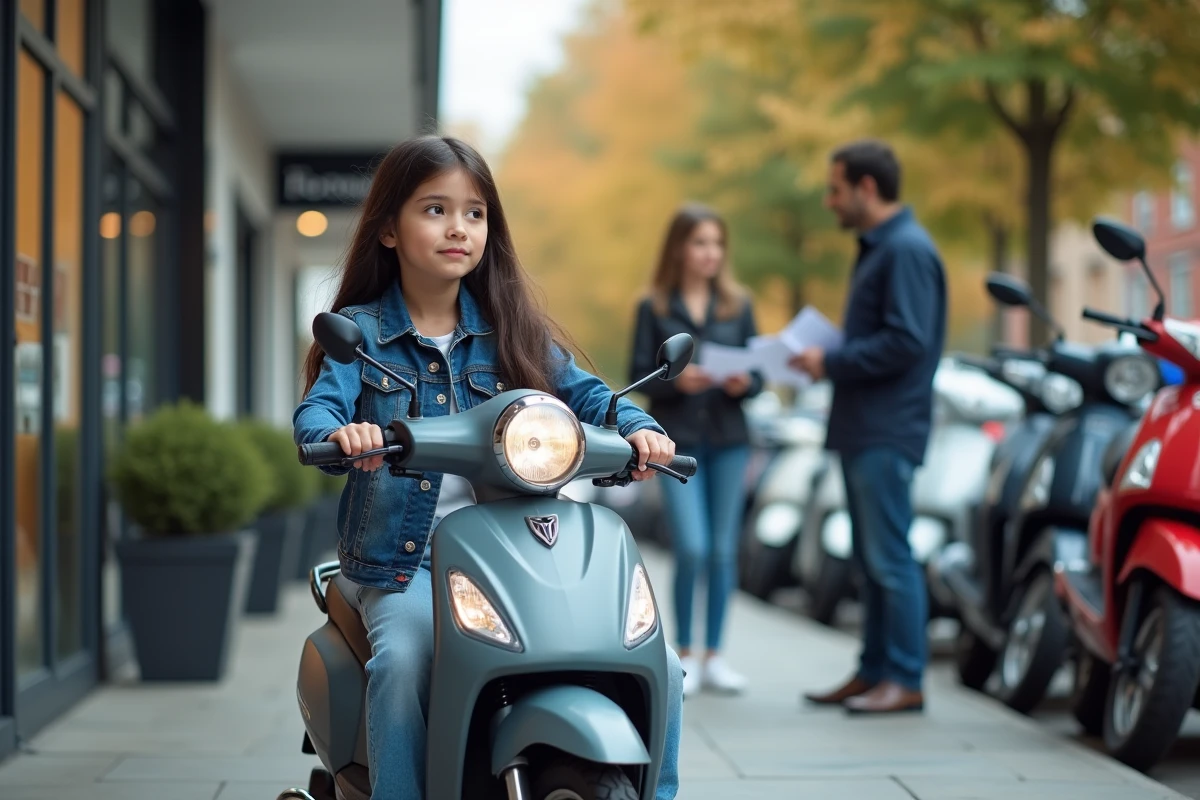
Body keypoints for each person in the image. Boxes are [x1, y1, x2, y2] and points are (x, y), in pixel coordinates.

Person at [293, 135, 685, 799]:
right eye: (435, 210)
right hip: (403, 563)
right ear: (388, 229)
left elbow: (590, 396)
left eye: (475, 214)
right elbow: (315, 418)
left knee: (663, 663)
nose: (459, 228)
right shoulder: (358, 333)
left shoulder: (512, 327)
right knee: (405, 662)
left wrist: (641, 429)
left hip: (519, 556)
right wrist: (345, 432)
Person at [790, 140, 946, 715]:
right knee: (871, 558)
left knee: (889, 557)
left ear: (867, 188)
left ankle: (904, 678)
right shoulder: (885, 247)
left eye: (836, 189)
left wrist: (829, 361)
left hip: (886, 428)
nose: (830, 202)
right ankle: (874, 670)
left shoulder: (904, 250)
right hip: (866, 426)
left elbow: (907, 341)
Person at [629, 203, 763, 697]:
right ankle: (683, 654)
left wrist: (744, 383)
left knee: (725, 551)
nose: (710, 253)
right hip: (678, 443)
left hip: (730, 440)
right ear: (680, 248)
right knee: (692, 546)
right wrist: (679, 385)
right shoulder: (654, 306)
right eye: (700, 243)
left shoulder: (737, 305)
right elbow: (641, 370)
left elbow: (760, 373)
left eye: (717, 244)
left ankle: (715, 656)